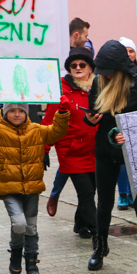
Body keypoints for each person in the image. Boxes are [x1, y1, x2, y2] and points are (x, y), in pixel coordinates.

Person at [0, 103, 70, 274]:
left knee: (31, 226)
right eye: (12, 111)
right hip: (9, 186)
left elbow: (56, 132)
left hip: (32, 185)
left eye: (21, 111)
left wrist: (62, 113)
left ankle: (31, 261)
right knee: (19, 223)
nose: (16, 115)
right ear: (5, 112)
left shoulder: (35, 129)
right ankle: (15, 251)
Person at [84, 40, 137, 271]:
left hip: (134, 152)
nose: (106, 76)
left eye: (109, 72)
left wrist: (130, 135)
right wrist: (89, 118)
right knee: (103, 202)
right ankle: (99, 247)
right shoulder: (98, 82)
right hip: (105, 149)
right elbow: (93, 111)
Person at [43, 47, 99, 240]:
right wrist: (43, 149)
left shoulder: (99, 88)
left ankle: (80, 224)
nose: (77, 67)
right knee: (85, 192)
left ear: (90, 67)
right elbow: (48, 121)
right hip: (71, 152)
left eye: (82, 64)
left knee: (90, 192)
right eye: (73, 65)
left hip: (94, 150)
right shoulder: (61, 91)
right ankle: (98, 230)